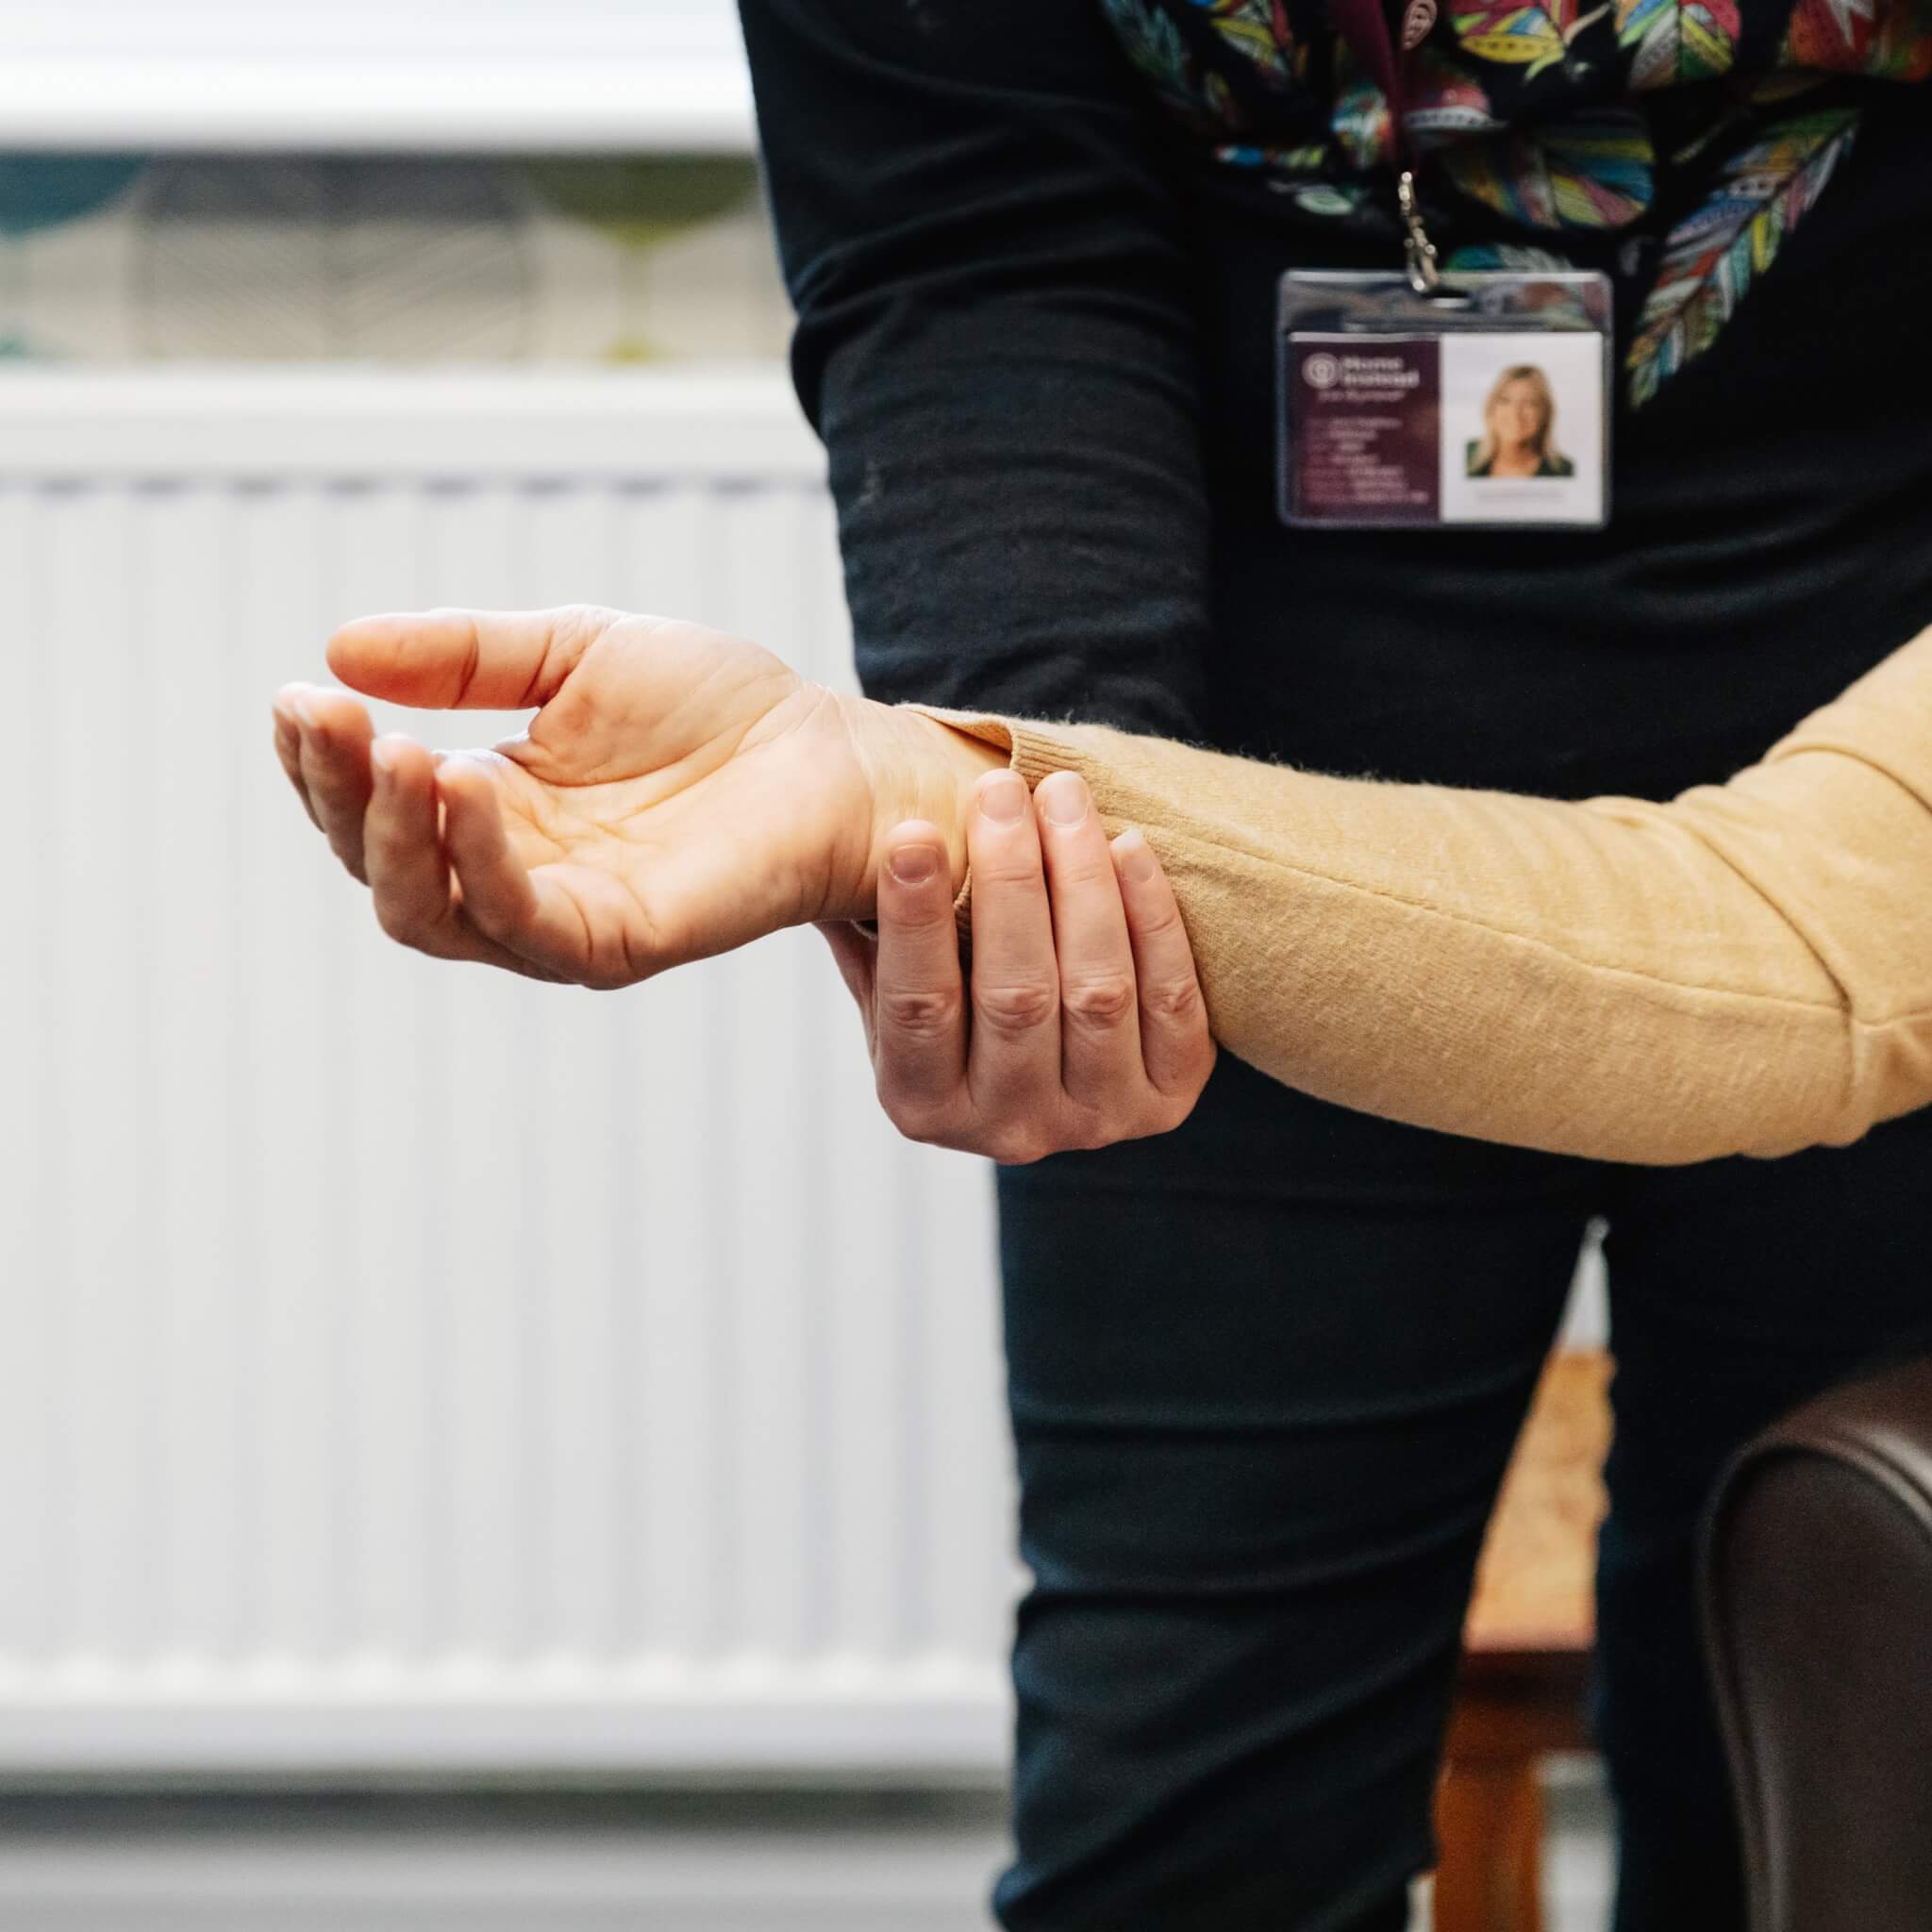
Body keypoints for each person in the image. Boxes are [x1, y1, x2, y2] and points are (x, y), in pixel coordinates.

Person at [272, 5, 1932, 1926]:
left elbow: (1802, 944)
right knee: (1191, 1808)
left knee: (1830, 1743)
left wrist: (980, 795)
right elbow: (976, 237)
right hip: (1234, 730)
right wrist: (1012, 811)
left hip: (1870, 727)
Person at [1465, 364, 1574, 478]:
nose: (1515, 413)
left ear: (1545, 414)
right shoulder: (1465, 456)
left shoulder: (1564, 472)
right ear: (1491, 409)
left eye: (1529, 403)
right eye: (1505, 400)